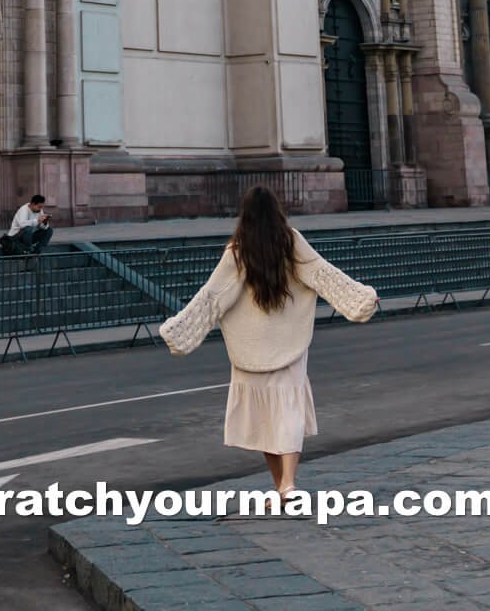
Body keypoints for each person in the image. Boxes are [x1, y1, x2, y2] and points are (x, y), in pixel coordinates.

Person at [159, 186, 377, 504]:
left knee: (264, 418)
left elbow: (212, 297)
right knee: (287, 413)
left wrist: (179, 330)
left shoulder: (237, 251)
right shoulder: (291, 241)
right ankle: (286, 486)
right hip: (289, 344)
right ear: (277, 212)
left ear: (244, 217)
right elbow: (323, 274)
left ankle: (285, 486)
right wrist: (361, 298)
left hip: (250, 347)